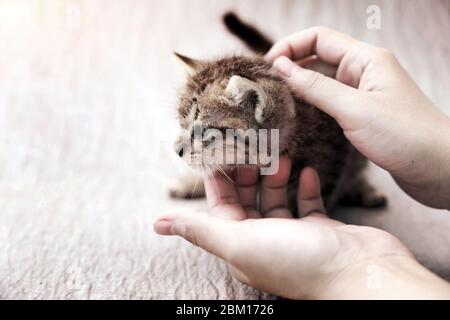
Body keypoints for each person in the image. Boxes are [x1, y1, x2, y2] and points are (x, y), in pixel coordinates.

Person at [154, 27, 450, 299]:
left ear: (258, 106)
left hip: (302, 147)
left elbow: (327, 177)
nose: (179, 148)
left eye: (201, 133)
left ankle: (356, 186)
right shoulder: (248, 128)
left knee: (324, 180)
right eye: (185, 128)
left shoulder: (315, 138)